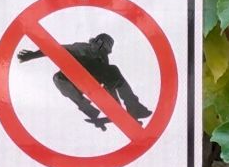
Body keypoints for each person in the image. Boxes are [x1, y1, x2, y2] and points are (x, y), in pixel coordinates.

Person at [17, 33, 152, 130]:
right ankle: (90, 108)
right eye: (104, 48)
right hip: (69, 80)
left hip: (89, 82)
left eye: (107, 50)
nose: (104, 52)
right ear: (98, 43)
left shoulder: (103, 59)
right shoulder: (82, 47)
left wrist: (115, 108)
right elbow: (54, 48)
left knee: (113, 71)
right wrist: (32, 55)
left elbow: (110, 82)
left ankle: (133, 106)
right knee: (59, 78)